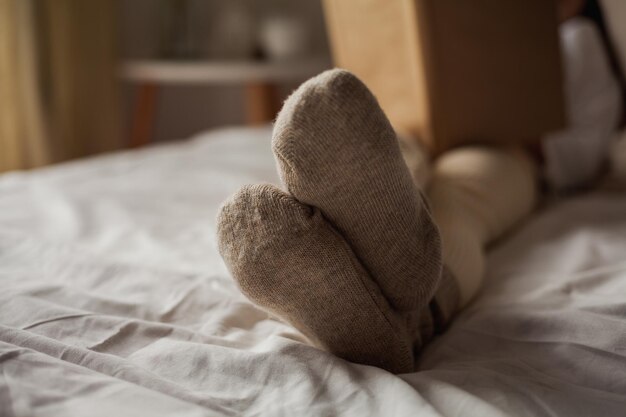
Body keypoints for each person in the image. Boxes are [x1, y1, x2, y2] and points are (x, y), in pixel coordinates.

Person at [216, 2, 622, 374]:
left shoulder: (583, 43)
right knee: (376, 144)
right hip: (408, 123)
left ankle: (410, 308)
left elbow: (583, 153)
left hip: (503, 150)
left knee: (460, 201)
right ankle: (400, 265)